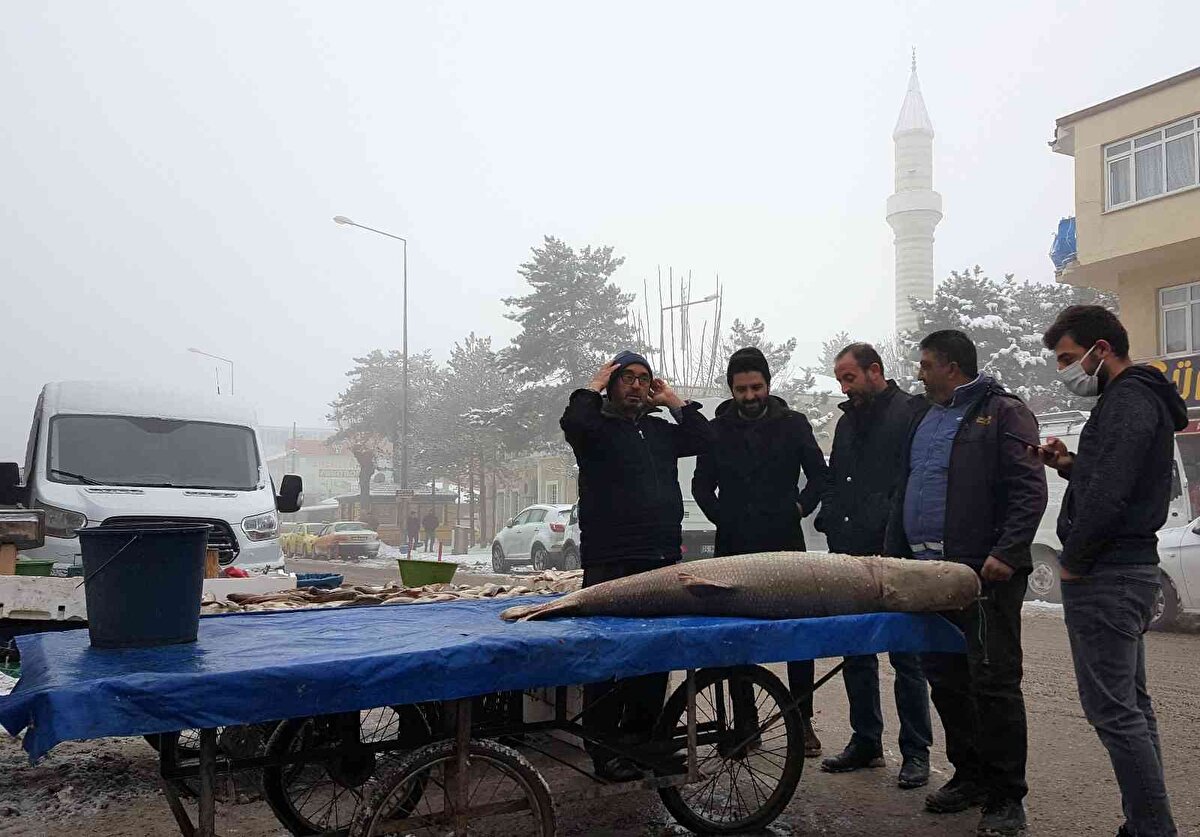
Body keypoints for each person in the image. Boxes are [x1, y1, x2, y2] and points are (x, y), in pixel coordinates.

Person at [884, 329, 1046, 837]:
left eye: (926, 364)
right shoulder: (924, 417)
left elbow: (1029, 490)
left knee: (993, 683)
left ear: (952, 366)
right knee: (946, 679)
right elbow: (907, 489)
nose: (919, 372)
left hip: (984, 576)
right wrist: (894, 558)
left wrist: (1006, 551)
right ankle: (969, 775)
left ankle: (1006, 797)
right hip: (929, 576)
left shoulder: (1004, 413)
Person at [1037, 306, 1181, 837]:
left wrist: (1073, 563)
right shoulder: (1135, 400)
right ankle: (1147, 822)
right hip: (1125, 568)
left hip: (1108, 573)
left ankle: (1150, 828)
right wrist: (1069, 464)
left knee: (1114, 713)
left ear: (1102, 349)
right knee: (1132, 709)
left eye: (1070, 359)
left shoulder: (1128, 400)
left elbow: (1111, 493)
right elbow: (1116, 475)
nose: (1066, 372)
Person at [560, 349, 712, 781]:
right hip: (610, 558)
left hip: (659, 556)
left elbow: (705, 440)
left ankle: (644, 743)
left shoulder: (660, 431)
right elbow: (573, 422)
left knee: (653, 652)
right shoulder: (595, 430)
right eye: (627, 377)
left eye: (644, 378)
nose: (636, 385)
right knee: (609, 655)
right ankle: (605, 750)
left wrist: (675, 401)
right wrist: (591, 385)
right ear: (611, 383)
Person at [692, 346, 829, 757]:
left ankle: (800, 720)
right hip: (734, 545)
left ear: (768, 385)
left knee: (796, 634)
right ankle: (745, 723)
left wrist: (800, 508)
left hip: (785, 539)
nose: (749, 396)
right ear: (730, 389)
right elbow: (701, 485)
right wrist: (723, 518)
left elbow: (820, 476)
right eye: (741, 389)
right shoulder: (716, 431)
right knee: (737, 636)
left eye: (756, 387)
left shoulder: (794, 424)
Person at [815, 343, 931, 789]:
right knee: (857, 651)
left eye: (849, 377)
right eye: (840, 380)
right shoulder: (846, 422)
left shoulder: (910, 413)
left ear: (874, 371)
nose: (845, 387)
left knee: (906, 657)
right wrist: (828, 518)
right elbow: (833, 477)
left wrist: (895, 530)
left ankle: (915, 752)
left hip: (896, 553)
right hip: (850, 554)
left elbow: (915, 478)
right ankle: (866, 741)